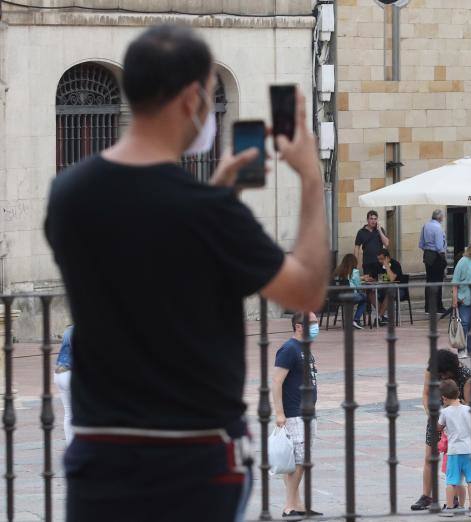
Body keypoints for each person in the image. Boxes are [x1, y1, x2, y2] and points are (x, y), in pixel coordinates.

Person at [45, 25, 329, 521]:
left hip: (101, 454)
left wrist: (219, 197)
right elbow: (306, 286)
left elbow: (150, 255)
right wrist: (309, 177)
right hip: (192, 459)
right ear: (193, 98)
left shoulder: (68, 194)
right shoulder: (207, 213)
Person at [273, 312, 322, 518]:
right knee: (301, 460)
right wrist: (279, 413)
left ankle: (298, 504)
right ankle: (289, 506)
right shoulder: (289, 349)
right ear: (299, 326)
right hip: (294, 413)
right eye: (313, 323)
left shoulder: (305, 349)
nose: (316, 326)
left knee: (295, 461)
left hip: (308, 411)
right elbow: (277, 382)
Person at [411, 349, 471, 512]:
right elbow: (425, 394)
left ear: (450, 371)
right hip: (437, 415)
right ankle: (426, 496)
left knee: (456, 459)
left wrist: (452, 417)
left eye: (443, 375)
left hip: (457, 419)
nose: (440, 378)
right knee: (430, 456)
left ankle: (458, 500)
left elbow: (469, 403)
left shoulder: (465, 374)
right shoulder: (433, 369)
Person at [437, 379, 471, 518]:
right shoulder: (469, 409)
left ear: (444, 398)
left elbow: (439, 427)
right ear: (459, 393)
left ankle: (449, 508)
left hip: (454, 451)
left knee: (451, 481)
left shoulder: (445, 412)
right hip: (470, 449)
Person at [420, 209, 448, 314]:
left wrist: (428, 250)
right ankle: (438, 306)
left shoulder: (425, 226)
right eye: (442, 216)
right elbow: (440, 246)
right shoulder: (438, 228)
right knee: (438, 282)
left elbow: (421, 244)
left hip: (427, 255)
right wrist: (443, 258)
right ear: (440, 217)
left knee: (429, 281)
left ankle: (428, 307)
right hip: (437, 256)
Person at [333, 254, 368, 330]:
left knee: (362, 296)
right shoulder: (355, 272)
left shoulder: (337, 271)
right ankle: (356, 320)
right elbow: (358, 287)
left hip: (337, 297)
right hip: (350, 296)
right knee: (365, 298)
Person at [54, 325, 74, 444]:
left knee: (69, 413)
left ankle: (70, 444)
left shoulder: (68, 329)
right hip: (70, 374)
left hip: (59, 373)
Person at [355, 210, 390, 279]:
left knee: (381, 282)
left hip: (380, 263)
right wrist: (355, 264)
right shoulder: (361, 232)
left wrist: (379, 230)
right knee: (369, 285)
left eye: (375, 219)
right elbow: (357, 248)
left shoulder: (380, 230)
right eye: (371, 219)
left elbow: (386, 244)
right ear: (367, 219)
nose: (373, 221)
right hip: (367, 263)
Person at [376, 248, 403, 326]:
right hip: (383, 289)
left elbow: (392, 278)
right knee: (371, 293)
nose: (380, 261)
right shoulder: (378, 265)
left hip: (398, 290)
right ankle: (382, 316)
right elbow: (378, 278)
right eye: (378, 259)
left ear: (388, 258)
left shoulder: (395, 264)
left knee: (390, 292)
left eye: (382, 259)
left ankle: (379, 317)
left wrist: (387, 266)